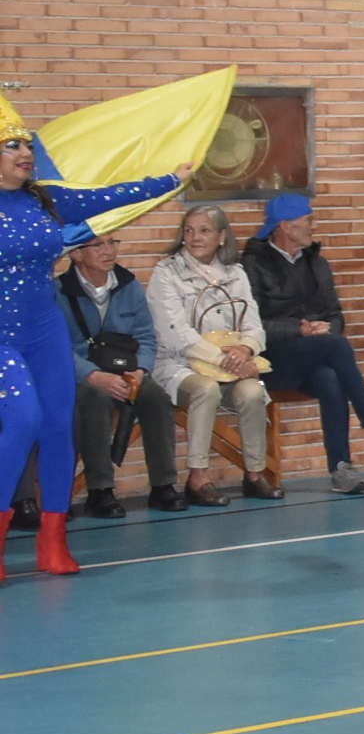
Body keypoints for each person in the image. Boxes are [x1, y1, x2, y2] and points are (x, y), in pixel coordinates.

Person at [0, 95, 190, 578]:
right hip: (1, 337)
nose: (25, 153)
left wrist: (168, 180)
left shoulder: (45, 198)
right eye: (11, 145)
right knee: (21, 421)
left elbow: (110, 196)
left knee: (58, 428)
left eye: (26, 144)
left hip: (44, 332)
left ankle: (53, 541)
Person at [241, 194, 364, 494]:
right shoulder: (253, 265)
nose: (313, 225)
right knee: (334, 347)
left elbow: (336, 315)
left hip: (314, 353)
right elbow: (251, 322)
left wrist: (327, 327)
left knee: (330, 377)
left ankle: (341, 468)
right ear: (285, 226)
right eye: (308, 220)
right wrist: (298, 329)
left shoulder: (317, 263)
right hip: (272, 358)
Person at [147, 204, 276, 509]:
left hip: (232, 366)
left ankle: (255, 473)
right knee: (205, 390)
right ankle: (197, 478)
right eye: (189, 230)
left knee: (252, 391)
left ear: (221, 236)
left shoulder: (236, 273)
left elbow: (254, 324)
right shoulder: (165, 273)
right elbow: (176, 333)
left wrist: (245, 350)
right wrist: (223, 359)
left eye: (204, 230)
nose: (194, 237)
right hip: (179, 365)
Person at [59, 232, 182, 517]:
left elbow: (146, 338)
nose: (108, 251)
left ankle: (163, 485)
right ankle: (100, 490)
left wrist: (141, 369)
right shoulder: (59, 292)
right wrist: (92, 375)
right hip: (83, 375)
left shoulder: (129, 286)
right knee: (94, 399)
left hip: (126, 368)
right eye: (98, 245)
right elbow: (58, 348)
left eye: (112, 243)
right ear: (76, 254)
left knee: (157, 399)